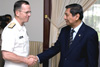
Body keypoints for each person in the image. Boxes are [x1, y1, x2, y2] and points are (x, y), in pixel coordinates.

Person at [33, 3, 99, 67]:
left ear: (76, 16)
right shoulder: (64, 30)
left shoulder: (90, 34)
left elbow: (92, 61)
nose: (64, 18)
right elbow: (55, 48)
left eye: (67, 15)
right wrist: (38, 58)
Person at [1, 0, 36, 67]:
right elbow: (6, 55)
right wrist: (25, 60)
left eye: (29, 12)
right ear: (17, 13)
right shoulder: (10, 30)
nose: (29, 15)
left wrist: (27, 57)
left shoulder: (23, 27)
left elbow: (20, 50)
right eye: (26, 12)